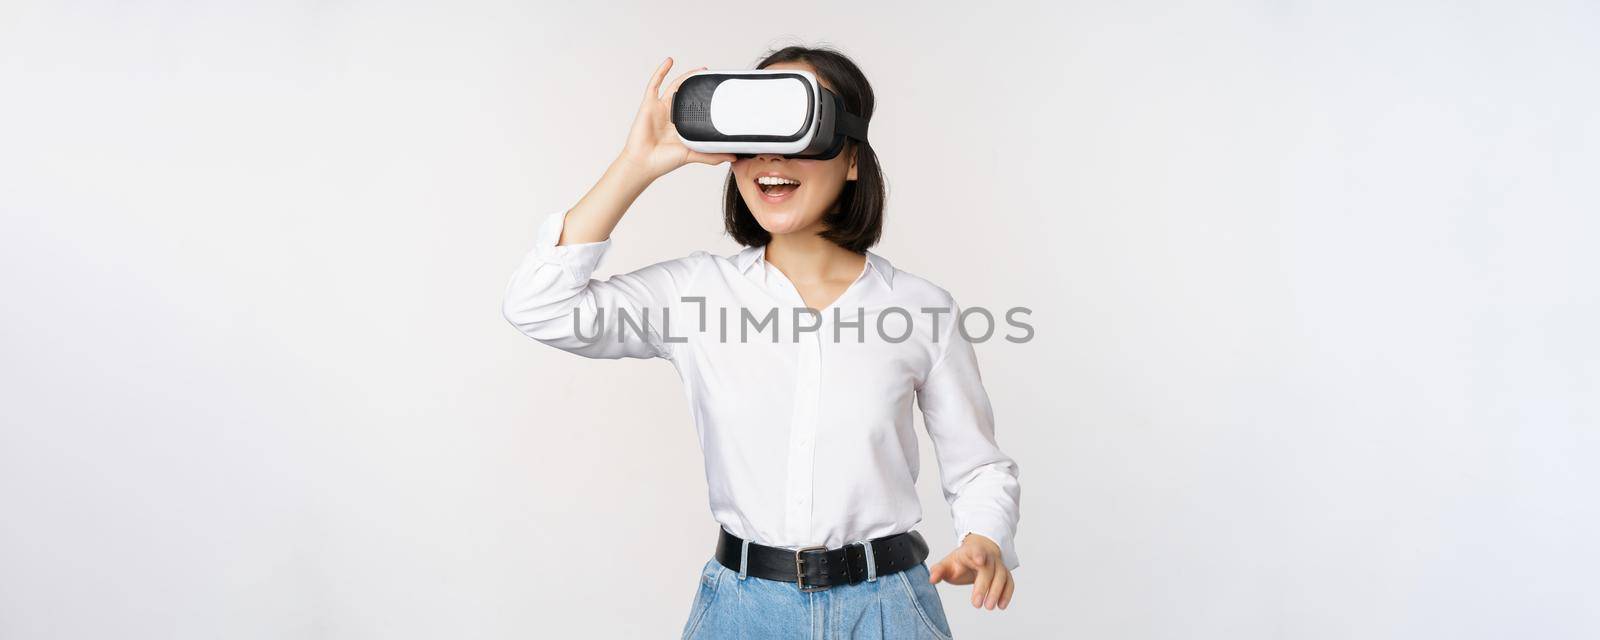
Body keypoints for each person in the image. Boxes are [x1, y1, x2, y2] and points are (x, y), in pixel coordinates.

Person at [502, 45, 1021, 639]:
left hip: (888, 610)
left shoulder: (921, 309)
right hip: (741, 613)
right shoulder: (695, 294)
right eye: (753, 134)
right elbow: (538, 305)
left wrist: (984, 536)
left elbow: (979, 466)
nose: (770, 157)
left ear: (851, 160)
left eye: (797, 130)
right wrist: (637, 163)